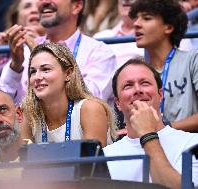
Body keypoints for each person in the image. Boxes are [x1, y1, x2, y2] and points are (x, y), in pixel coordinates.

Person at [0, 0, 117, 106]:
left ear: (77, 6)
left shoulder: (99, 52)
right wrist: (15, 66)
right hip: (30, 131)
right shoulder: (26, 50)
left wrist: (41, 55)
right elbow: (1, 102)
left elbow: (90, 101)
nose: (44, 2)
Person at [103, 58, 198, 188]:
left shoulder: (193, 143)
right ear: (118, 103)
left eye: (145, 83)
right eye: (128, 85)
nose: (137, 90)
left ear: (160, 95)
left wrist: (147, 133)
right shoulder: (104, 156)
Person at [21, 43, 116, 146]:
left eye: (46, 69)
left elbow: (91, 161)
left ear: (68, 74)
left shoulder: (90, 109)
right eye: (33, 72)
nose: (37, 77)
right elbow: (23, 160)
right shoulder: (30, 116)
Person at [129, 0, 198, 132]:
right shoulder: (136, 73)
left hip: (188, 148)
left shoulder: (193, 59)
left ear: (168, 27)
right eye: (136, 18)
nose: (136, 24)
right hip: (149, 145)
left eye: (146, 18)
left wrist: (166, 128)